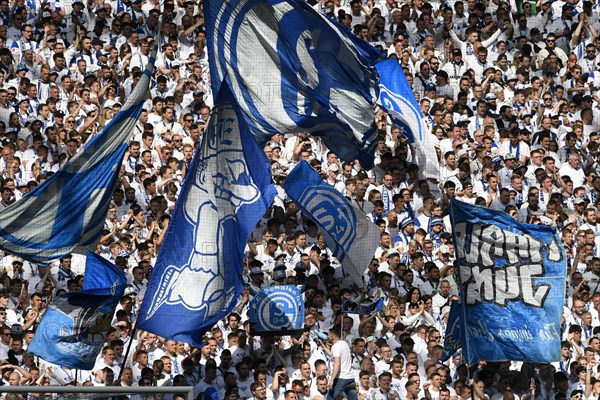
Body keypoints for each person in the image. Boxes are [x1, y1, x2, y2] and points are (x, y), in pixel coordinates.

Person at [326, 326, 357, 400]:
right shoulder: (344, 343)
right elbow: (332, 355)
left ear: (332, 336)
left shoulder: (335, 347)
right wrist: (323, 346)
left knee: (330, 398)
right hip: (350, 377)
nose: (327, 337)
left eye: (328, 335)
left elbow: (337, 364)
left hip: (341, 378)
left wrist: (332, 380)